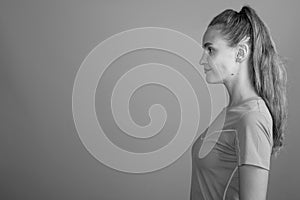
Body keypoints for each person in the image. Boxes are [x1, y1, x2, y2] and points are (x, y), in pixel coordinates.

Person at [190, 5, 288, 200]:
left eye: (211, 49)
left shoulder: (253, 117)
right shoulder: (232, 111)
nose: (202, 60)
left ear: (241, 53)